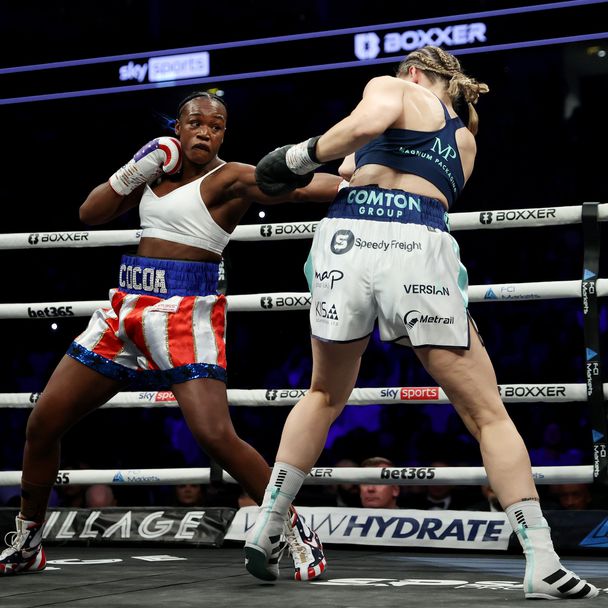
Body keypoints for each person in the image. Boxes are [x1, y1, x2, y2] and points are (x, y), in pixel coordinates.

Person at [244, 46, 599, 600]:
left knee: (323, 394)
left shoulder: (395, 86)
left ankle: (268, 524)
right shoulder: (465, 141)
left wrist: (295, 158)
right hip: (416, 245)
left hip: (346, 244)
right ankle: (542, 561)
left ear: (413, 71)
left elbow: (356, 141)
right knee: (487, 414)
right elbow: (387, 171)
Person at [0, 91, 341, 579]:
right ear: (177, 128)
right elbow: (90, 214)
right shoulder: (155, 170)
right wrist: (136, 168)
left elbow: (300, 189)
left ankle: (293, 529)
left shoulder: (229, 178)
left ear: (224, 134)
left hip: (185, 313)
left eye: (216, 126)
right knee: (42, 424)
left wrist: (356, 179)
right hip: (125, 310)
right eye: (196, 122)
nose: (205, 132)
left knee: (215, 435)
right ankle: (28, 540)